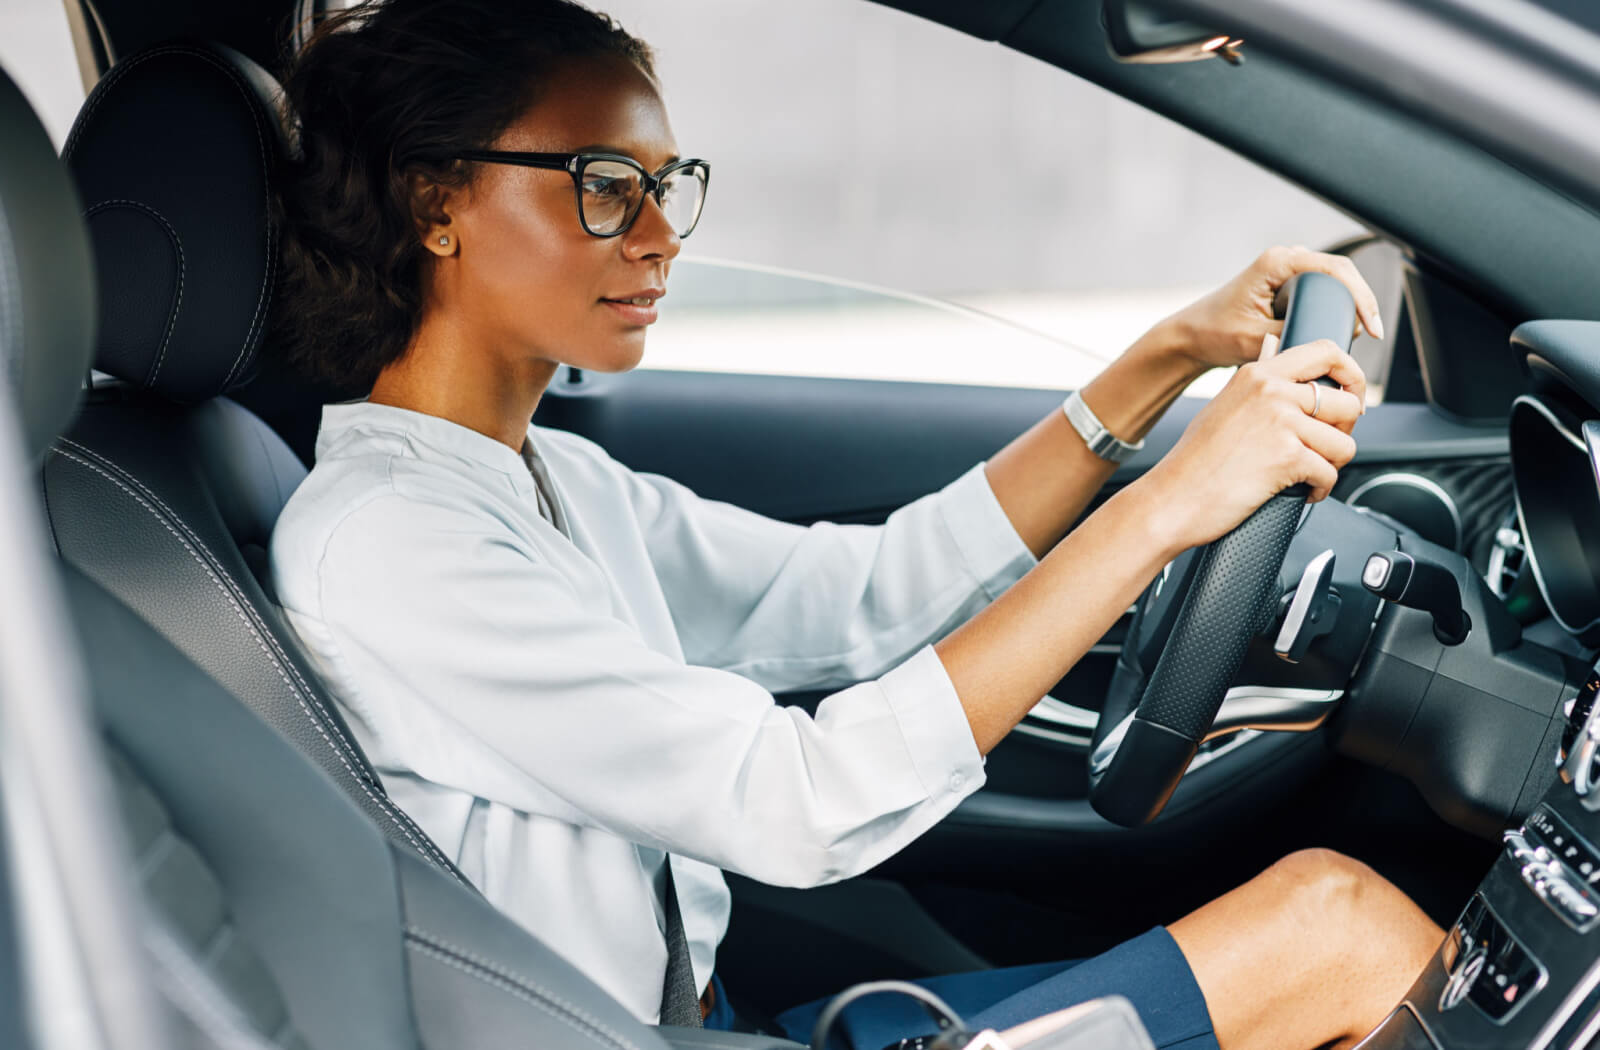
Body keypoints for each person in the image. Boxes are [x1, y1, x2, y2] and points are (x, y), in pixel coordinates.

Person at [266, 2, 1443, 1047]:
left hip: (715, 1025)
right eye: (603, 185)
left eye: (666, 184)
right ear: (434, 204)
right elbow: (795, 801)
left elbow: (866, 594)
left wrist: (1159, 362)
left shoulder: (543, 479)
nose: (661, 233)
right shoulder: (389, 547)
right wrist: (1168, 510)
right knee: (1338, 931)